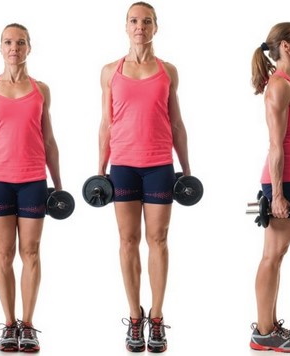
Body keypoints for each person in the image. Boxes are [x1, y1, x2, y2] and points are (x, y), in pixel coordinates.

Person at [98, 2, 191, 353]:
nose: (140, 26)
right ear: (126, 26)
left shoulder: (168, 71)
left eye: (147, 21)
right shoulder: (110, 71)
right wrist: (100, 169)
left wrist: (187, 167)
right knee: (127, 240)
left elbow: (177, 124)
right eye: (134, 21)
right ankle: (134, 317)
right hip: (123, 165)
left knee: (159, 239)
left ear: (156, 27)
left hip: (158, 166)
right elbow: (106, 124)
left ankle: (156, 316)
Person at [0, 23, 63, 352]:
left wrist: (59, 184)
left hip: (32, 181)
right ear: (1, 48)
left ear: (29, 48)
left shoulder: (41, 89)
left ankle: (28, 325)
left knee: (30, 252)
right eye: (9, 42)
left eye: (21, 42)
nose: (15, 47)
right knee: (3, 253)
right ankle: (8, 324)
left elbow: (49, 140)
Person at [249, 22, 290, 352]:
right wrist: (275, 194)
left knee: (276, 255)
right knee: (271, 256)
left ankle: (269, 328)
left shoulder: (287, 84)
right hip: (281, 181)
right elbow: (275, 146)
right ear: (286, 46)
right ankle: (263, 331)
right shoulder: (280, 86)